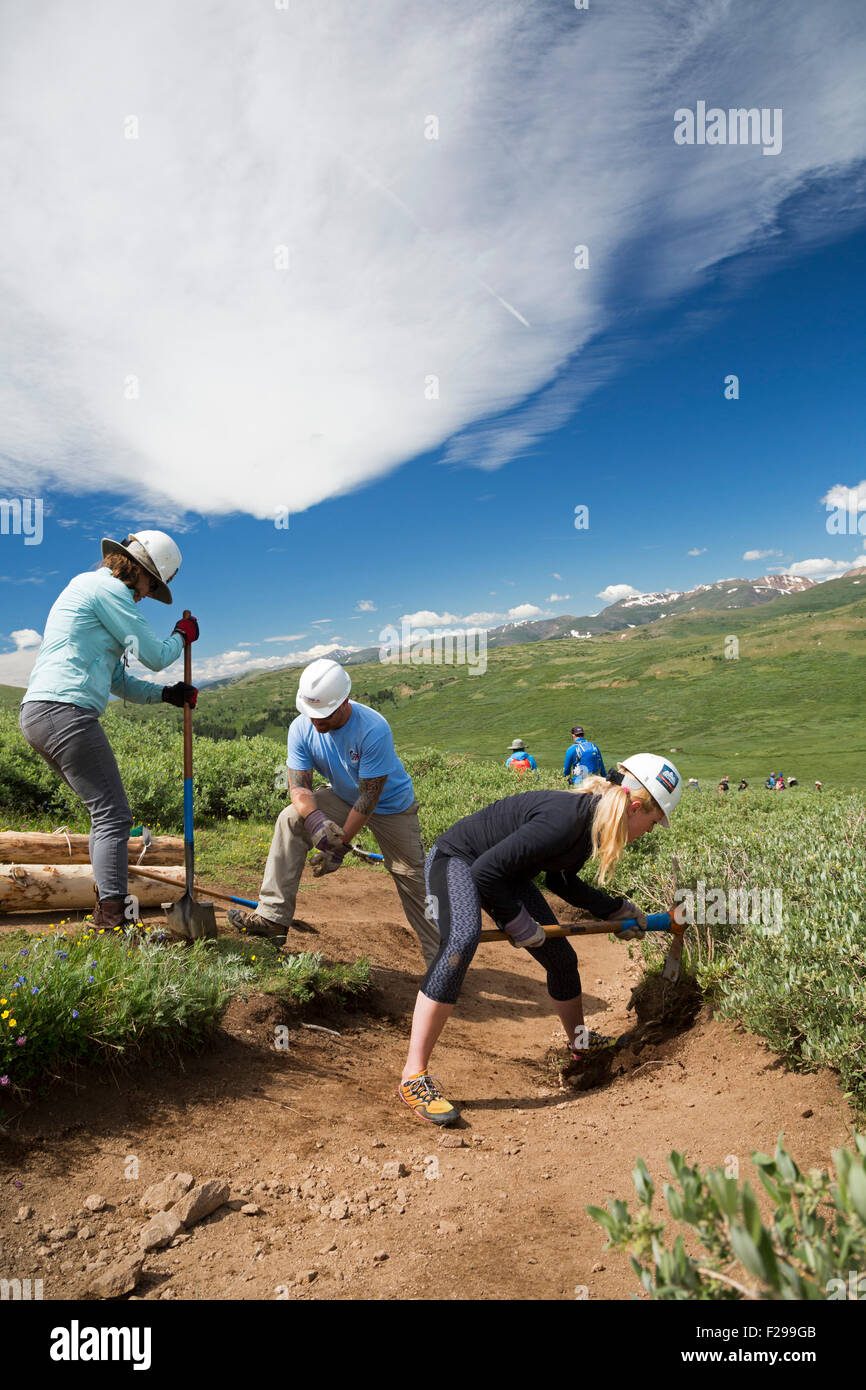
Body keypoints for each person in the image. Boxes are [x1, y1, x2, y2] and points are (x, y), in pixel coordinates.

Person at [397, 754, 682, 1125]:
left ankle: (579, 1043)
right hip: (457, 861)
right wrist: (518, 922)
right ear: (636, 807)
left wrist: (613, 910)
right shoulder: (568, 818)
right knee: (461, 940)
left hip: (503, 874)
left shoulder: (593, 820)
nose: (651, 829)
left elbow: (559, 879)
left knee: (561, 959)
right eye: (654, 821)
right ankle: (413, 1076)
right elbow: (484, 873)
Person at [19, 532, 198, 928]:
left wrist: (166, 694)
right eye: (152, 586)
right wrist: (180, 637)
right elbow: (153, 654)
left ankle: (107, 912)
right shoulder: (108, 591)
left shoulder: (92, 592)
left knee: (106, 815)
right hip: (64, 711)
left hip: (41, 712)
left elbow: (121, 681)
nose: (146, 596)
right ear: (139, 571)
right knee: (115, 816)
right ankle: (112, 921)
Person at [228, 658, 439, 967]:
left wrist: (337, 846)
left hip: (391, 805)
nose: (316, 722)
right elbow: (299, 788)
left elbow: (369, 798)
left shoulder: (373, 729)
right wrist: (316, 822)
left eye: (323, 714)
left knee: (410, 875)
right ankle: (272, 918)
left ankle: (442, 959)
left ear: (344, 702)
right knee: (290, 819)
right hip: (342, 796)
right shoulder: (301, 727)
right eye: (310, 713)